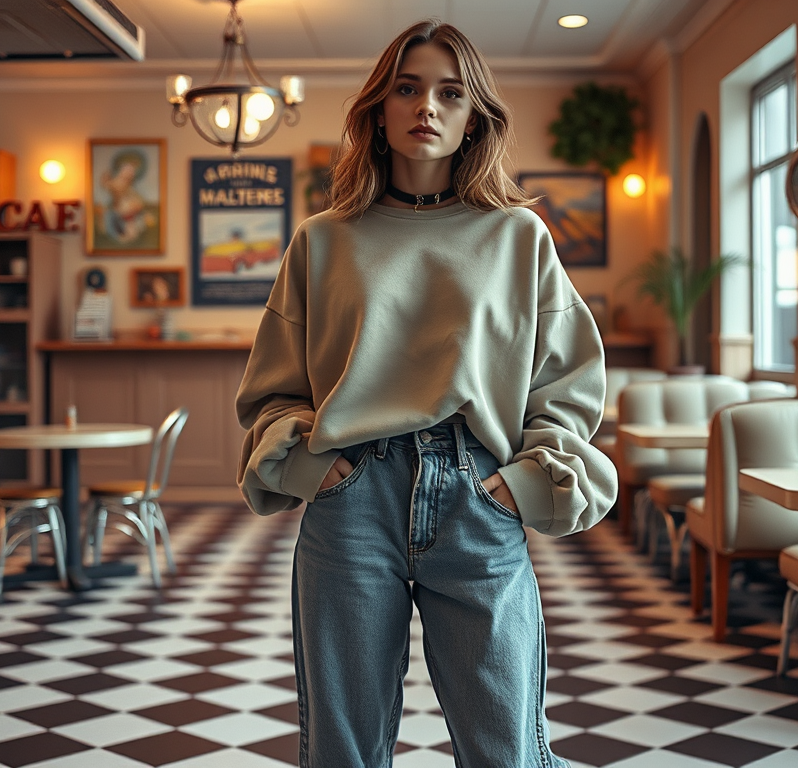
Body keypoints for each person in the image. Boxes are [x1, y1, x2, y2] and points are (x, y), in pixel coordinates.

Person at [235, 18, 617, 768]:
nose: (427, 107)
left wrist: (521, 482)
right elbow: (273, 391)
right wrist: (319, 469)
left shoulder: (518, 236)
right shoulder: (322, 239)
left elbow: (566, 386)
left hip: (479, 492)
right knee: (343, 751)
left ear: (475, 115)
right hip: (352, 502)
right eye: (407, 89)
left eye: (450, 92)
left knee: (505, 746)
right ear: (378, 108)